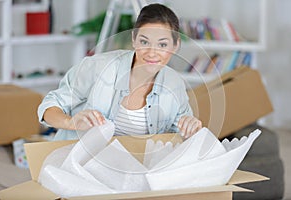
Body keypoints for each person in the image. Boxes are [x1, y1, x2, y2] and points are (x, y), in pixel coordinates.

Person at [38, 3, 202, 141]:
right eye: (144, 41)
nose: (152, 52)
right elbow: (48, 108)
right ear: (134, 39)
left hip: (133, 169)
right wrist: (71, 122)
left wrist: (189, 127)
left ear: (175, 45)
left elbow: (178, 134)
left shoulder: (174, 84)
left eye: (162, 45)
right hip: (80, 162)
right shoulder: (98, 67)